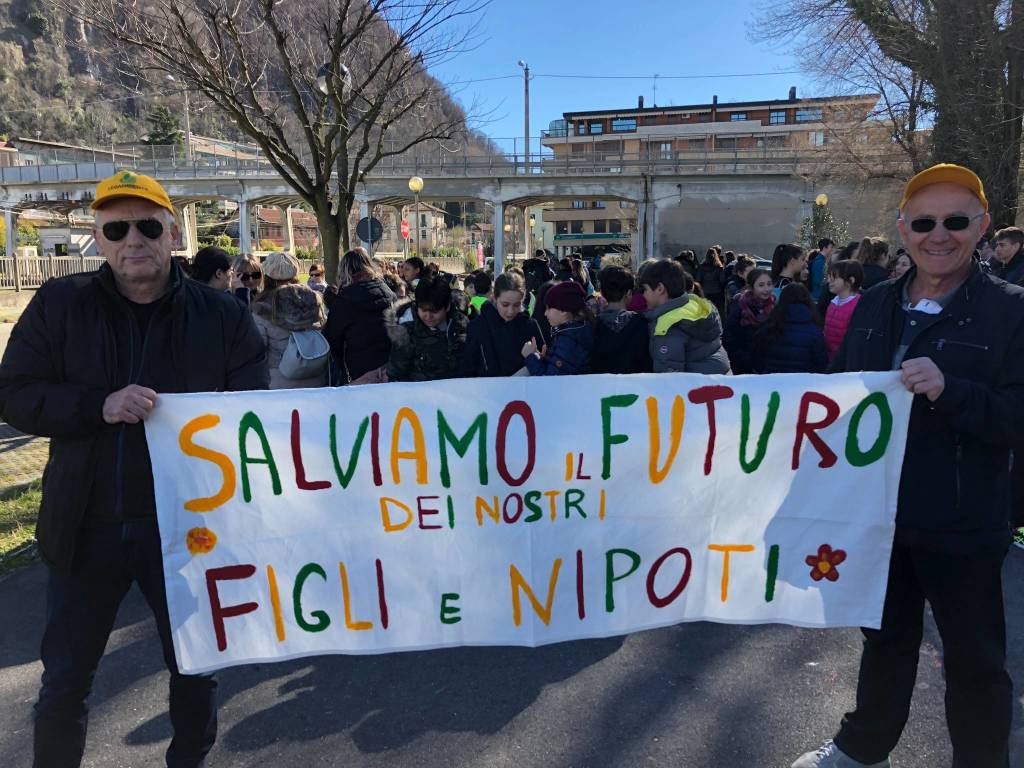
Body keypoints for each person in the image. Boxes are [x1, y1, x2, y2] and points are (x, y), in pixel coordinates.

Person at [0, 171, 268, 768]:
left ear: (174, 233)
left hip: (186, 530)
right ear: (98, 237)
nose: (133, 240)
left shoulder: (220, 316)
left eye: (148, 226)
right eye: (116, 228)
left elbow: (256, 408)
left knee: (195, 670)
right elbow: (14, 393)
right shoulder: (59, 306)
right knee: (64, 683)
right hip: (84, 522)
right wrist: (97, 405)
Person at [793, 164, 1024, 768]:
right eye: (924, 222)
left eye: (956, 221)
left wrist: (953, 391)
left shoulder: (1012, 311)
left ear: (983, 226)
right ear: (902, 229)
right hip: (877, 518)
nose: (938, 235)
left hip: (962, 521)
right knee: (884, 642)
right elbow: (836, 394)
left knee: (974, 662)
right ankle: (863, 748)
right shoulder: (873, 305)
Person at [640, 258, 731, 374]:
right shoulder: (695, 306)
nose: (642, 295)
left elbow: (669, 377)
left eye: (645, 289)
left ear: (660, 289)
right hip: (719, 379)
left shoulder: (668, 325)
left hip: (693, 389)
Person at [250, 252, 326, 389]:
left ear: (267, 276)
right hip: (316, 376)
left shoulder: (262, 307)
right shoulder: (314, 299)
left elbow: (257, 348)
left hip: (279, 381)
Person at [322, 248, 395, 385]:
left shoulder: (343, 302)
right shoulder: (389, 294)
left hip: (358, 374)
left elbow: (333, 342)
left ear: (344, 271)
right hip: (389, 368)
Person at [461, 270, 543, 377]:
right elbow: (467, 369)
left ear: (522, 301)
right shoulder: (478, 326)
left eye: (516, 305)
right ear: (494, 298)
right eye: (505, 304)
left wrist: (536, 357)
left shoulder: (530, 325)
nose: (510, 311)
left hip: (523, 391)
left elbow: (544, 366)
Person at [386, 275, 469, 381]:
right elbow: (396, 375)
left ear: (447, 306)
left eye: (434, 311)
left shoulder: (461, 325)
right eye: (423, 310)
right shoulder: (406, 331)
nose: (428, 316)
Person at [751, 283, 827, 374]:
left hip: (773, 380)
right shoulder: (815, 331)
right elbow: (820, 363)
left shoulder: (770, 326)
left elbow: (757, 356)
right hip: (803, 382)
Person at [590, 265, 653, 374]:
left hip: (601, 387)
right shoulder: (641, 323)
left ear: (602, 293)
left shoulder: (592, 325)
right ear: (629, 293)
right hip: (636, 387)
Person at [521, 280, 593, 375]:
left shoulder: (568, 341)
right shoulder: (574, 331)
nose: (545, 313)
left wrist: (530, 357)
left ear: (563, 310)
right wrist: (544, 359)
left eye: (548, 308)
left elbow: (549, 381)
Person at [723, 267, 775, 375]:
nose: (766, 289)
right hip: (744, 369)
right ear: (751, 287)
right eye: (761, 285)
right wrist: (746, 360)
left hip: (770, 368)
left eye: (769, 284)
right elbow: (729, 339)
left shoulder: (776, 308)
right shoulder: (739, 308)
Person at [823, 259, 864, 360]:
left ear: (850, 281)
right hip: (828, 358)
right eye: (829, 277)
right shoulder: (833, 302)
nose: (829, 281)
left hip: (845, 361)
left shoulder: (858, 305)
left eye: (834, 278)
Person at [697, 247, 727, 314]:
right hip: (717, 292)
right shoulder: (719, 267)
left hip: (705, 291)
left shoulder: (701, 267)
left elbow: (698, 279)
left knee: (706, 311)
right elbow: (722, 280)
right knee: (717, 311)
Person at [809, 238, 834, 302]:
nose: (832, 250)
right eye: (831, 247)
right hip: (817, 296)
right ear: (824, 248)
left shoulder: (822, 260)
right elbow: (818, 280)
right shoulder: (819, 261)